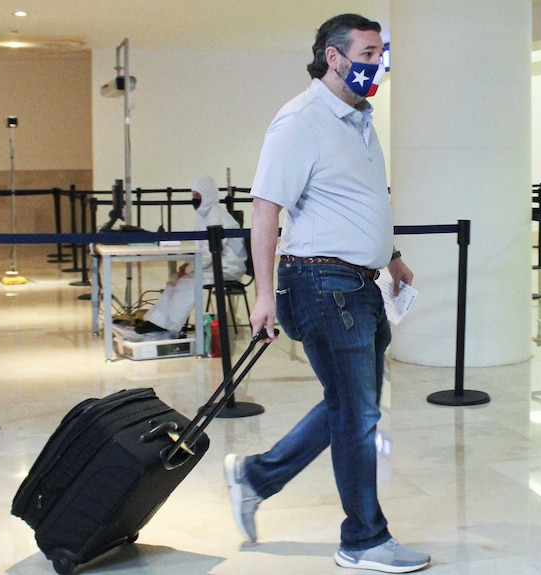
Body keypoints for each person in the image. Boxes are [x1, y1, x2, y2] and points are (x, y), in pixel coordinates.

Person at [222, 13, 430, 574]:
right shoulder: (301, 119)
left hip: (360, 284)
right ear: (333, 57)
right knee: (357, 411)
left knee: (352, 405)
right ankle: (363, 540)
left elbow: (355, 198)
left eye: (379, 53)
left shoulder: (360, 119)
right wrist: (264, 294)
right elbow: (265, 208)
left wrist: (391, 256)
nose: (375, 64)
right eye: (365, 54)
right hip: (320, 283)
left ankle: (255, 476)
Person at [135, 175, 246, 335]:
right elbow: (202, 250)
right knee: (175, 279)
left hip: (228, 268)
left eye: (198, 196)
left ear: (207, 195)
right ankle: (156, 320)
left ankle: (169, 325)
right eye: (193, 196)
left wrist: (189, 269)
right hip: (214, 265)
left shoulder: (216, 217)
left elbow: (209, 253)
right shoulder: (205, 215)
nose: (194, 200)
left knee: (188, 282)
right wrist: (187, 267)